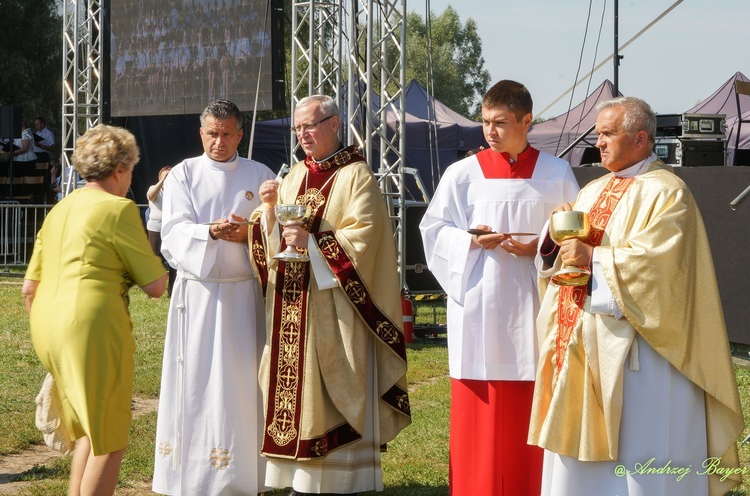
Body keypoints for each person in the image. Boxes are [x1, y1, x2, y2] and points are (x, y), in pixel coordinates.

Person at [527, 96, 744, 495]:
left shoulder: (668, 193)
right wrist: (552, 239)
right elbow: (565, 254)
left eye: (608, 133)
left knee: (642, 456)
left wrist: (594, 257)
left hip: (641, 350)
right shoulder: (592, 190)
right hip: (582, 341)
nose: (599, 142)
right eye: (598, 133)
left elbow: (663, 268)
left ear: (641, 138)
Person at [419, 79, 580, 495]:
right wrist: (471, 240)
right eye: (486, 122)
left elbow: (577, 236)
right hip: (480, 303)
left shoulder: (557, 172)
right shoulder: (463, 173)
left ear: (527, 121)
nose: (490, 132)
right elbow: (434, 230)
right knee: (481, 403)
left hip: (532, 301)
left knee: (533, 393)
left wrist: (539, 250)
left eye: (501, 123)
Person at [250, 94, 411, 494]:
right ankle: (293, 475)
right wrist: (269, 212)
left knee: (326, 393)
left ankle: (339, 479)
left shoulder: (356, 175)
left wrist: (315, 242)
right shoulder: (294, 176)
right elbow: (272, 240)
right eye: (298, 128)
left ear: (335, 124)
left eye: (311, 125)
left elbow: (366, 238)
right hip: (291, 305)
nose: (303, 134)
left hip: (333, 308)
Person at [21, 124, 167, 495]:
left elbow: (28, 288)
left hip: (47, 327)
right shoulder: (117, 208)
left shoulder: (60, 208)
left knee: (88, 430)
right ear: (119, 169)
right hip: (92, 327)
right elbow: (155, 286)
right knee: (111, 438)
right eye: (131, 169)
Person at [152, 99, 275, 495]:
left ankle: (244, 474)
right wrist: (208, 232)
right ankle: (190, 475)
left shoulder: (260, 174)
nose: (218, 142)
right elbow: (172, 230)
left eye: (226, 134)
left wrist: (248, 235)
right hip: (199, 296)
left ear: (240, 134)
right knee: (195, 385)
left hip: (243, 297)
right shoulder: (184, 174)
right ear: (200, 132)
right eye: (211, 133)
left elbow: (275, 232)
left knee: (241, 383)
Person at [146, 165, 176, 295]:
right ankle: (153, 290)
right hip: (155, 229)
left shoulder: (175, 192)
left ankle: (172, 290)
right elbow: (151, 196)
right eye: (164, 175)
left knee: (173, 261)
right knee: (154, 260)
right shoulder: (153, 189)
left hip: (170, 229)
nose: (167, 177)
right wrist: (163, 180)